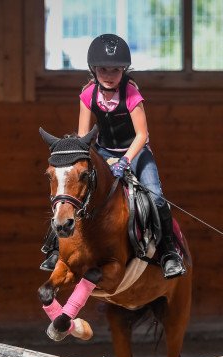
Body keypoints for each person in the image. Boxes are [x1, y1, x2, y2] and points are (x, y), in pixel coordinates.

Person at [40, 33, 185, 279]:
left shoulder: (131, 93)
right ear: (94, 69)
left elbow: (142, 134)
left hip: (136, 152)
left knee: (157, 197)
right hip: (103, 151)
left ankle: (169, 253)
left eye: (115, 70)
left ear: (124, 70)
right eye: (103, 70)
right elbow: (84, 135)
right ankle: (54, 247)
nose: (109, 75)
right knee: (73, 189)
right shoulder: (87, 94)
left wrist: (126, 160)